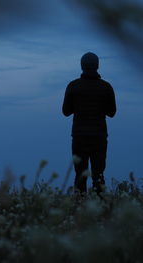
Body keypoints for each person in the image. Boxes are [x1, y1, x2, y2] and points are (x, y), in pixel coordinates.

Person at [62, 52, 116, 196]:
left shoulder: (73, 86)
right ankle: (100, 209)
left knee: (80, 175)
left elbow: (66, 111)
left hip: (79, 136)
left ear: (82, 66)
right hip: (99, 136)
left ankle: (80, 210)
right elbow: (112, 112)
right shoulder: (106, 87)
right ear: (97, 66)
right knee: (98, 175)